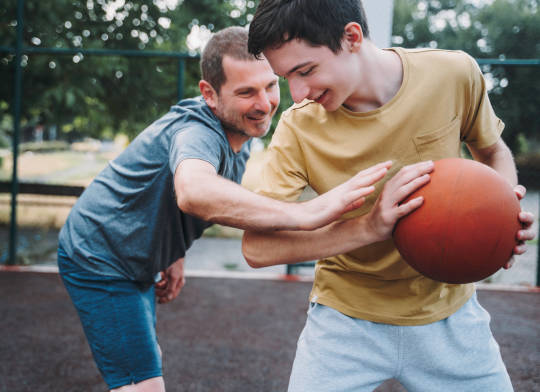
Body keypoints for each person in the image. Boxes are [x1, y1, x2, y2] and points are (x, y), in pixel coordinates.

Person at [57, 26, 405, 392]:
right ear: (209, 94)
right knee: (141, 383)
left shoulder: (241, 129)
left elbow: (173, 195)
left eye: (270, 86)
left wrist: (173, 253)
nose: (264, 103)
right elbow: (193, 189)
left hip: (133, 254)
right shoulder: (198, 133)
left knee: (142, 355)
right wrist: (304, 213)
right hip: (100, 258)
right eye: (245, 92)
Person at [244, 0, 536, 391]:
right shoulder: (298, 127)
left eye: (306, 70)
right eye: (286, 77)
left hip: (448, 313)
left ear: (352, 37)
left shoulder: (453, 74)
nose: (297, 94)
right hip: (344, 321)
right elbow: (257, 248)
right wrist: (367, 226)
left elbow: (492, 150)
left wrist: (501, 216)